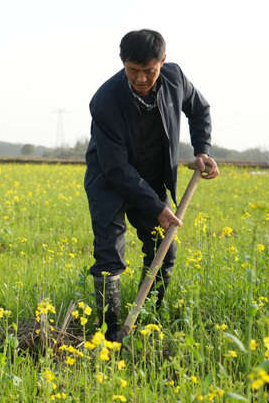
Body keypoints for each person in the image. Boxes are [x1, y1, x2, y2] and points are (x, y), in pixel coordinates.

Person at [84, 29, 219, 341]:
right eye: (134, 71)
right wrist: (156, 207)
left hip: (153, 175)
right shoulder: (105, 100)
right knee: (109, 255)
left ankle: (151, 319)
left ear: (163, 62)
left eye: (149, 71)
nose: (142, 79)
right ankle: (111, 332)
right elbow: (116, 168)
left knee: (164, 248)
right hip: (109, 180)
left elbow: (199, 110)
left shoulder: (176, 79)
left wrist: (202, 150)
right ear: (123, 64)